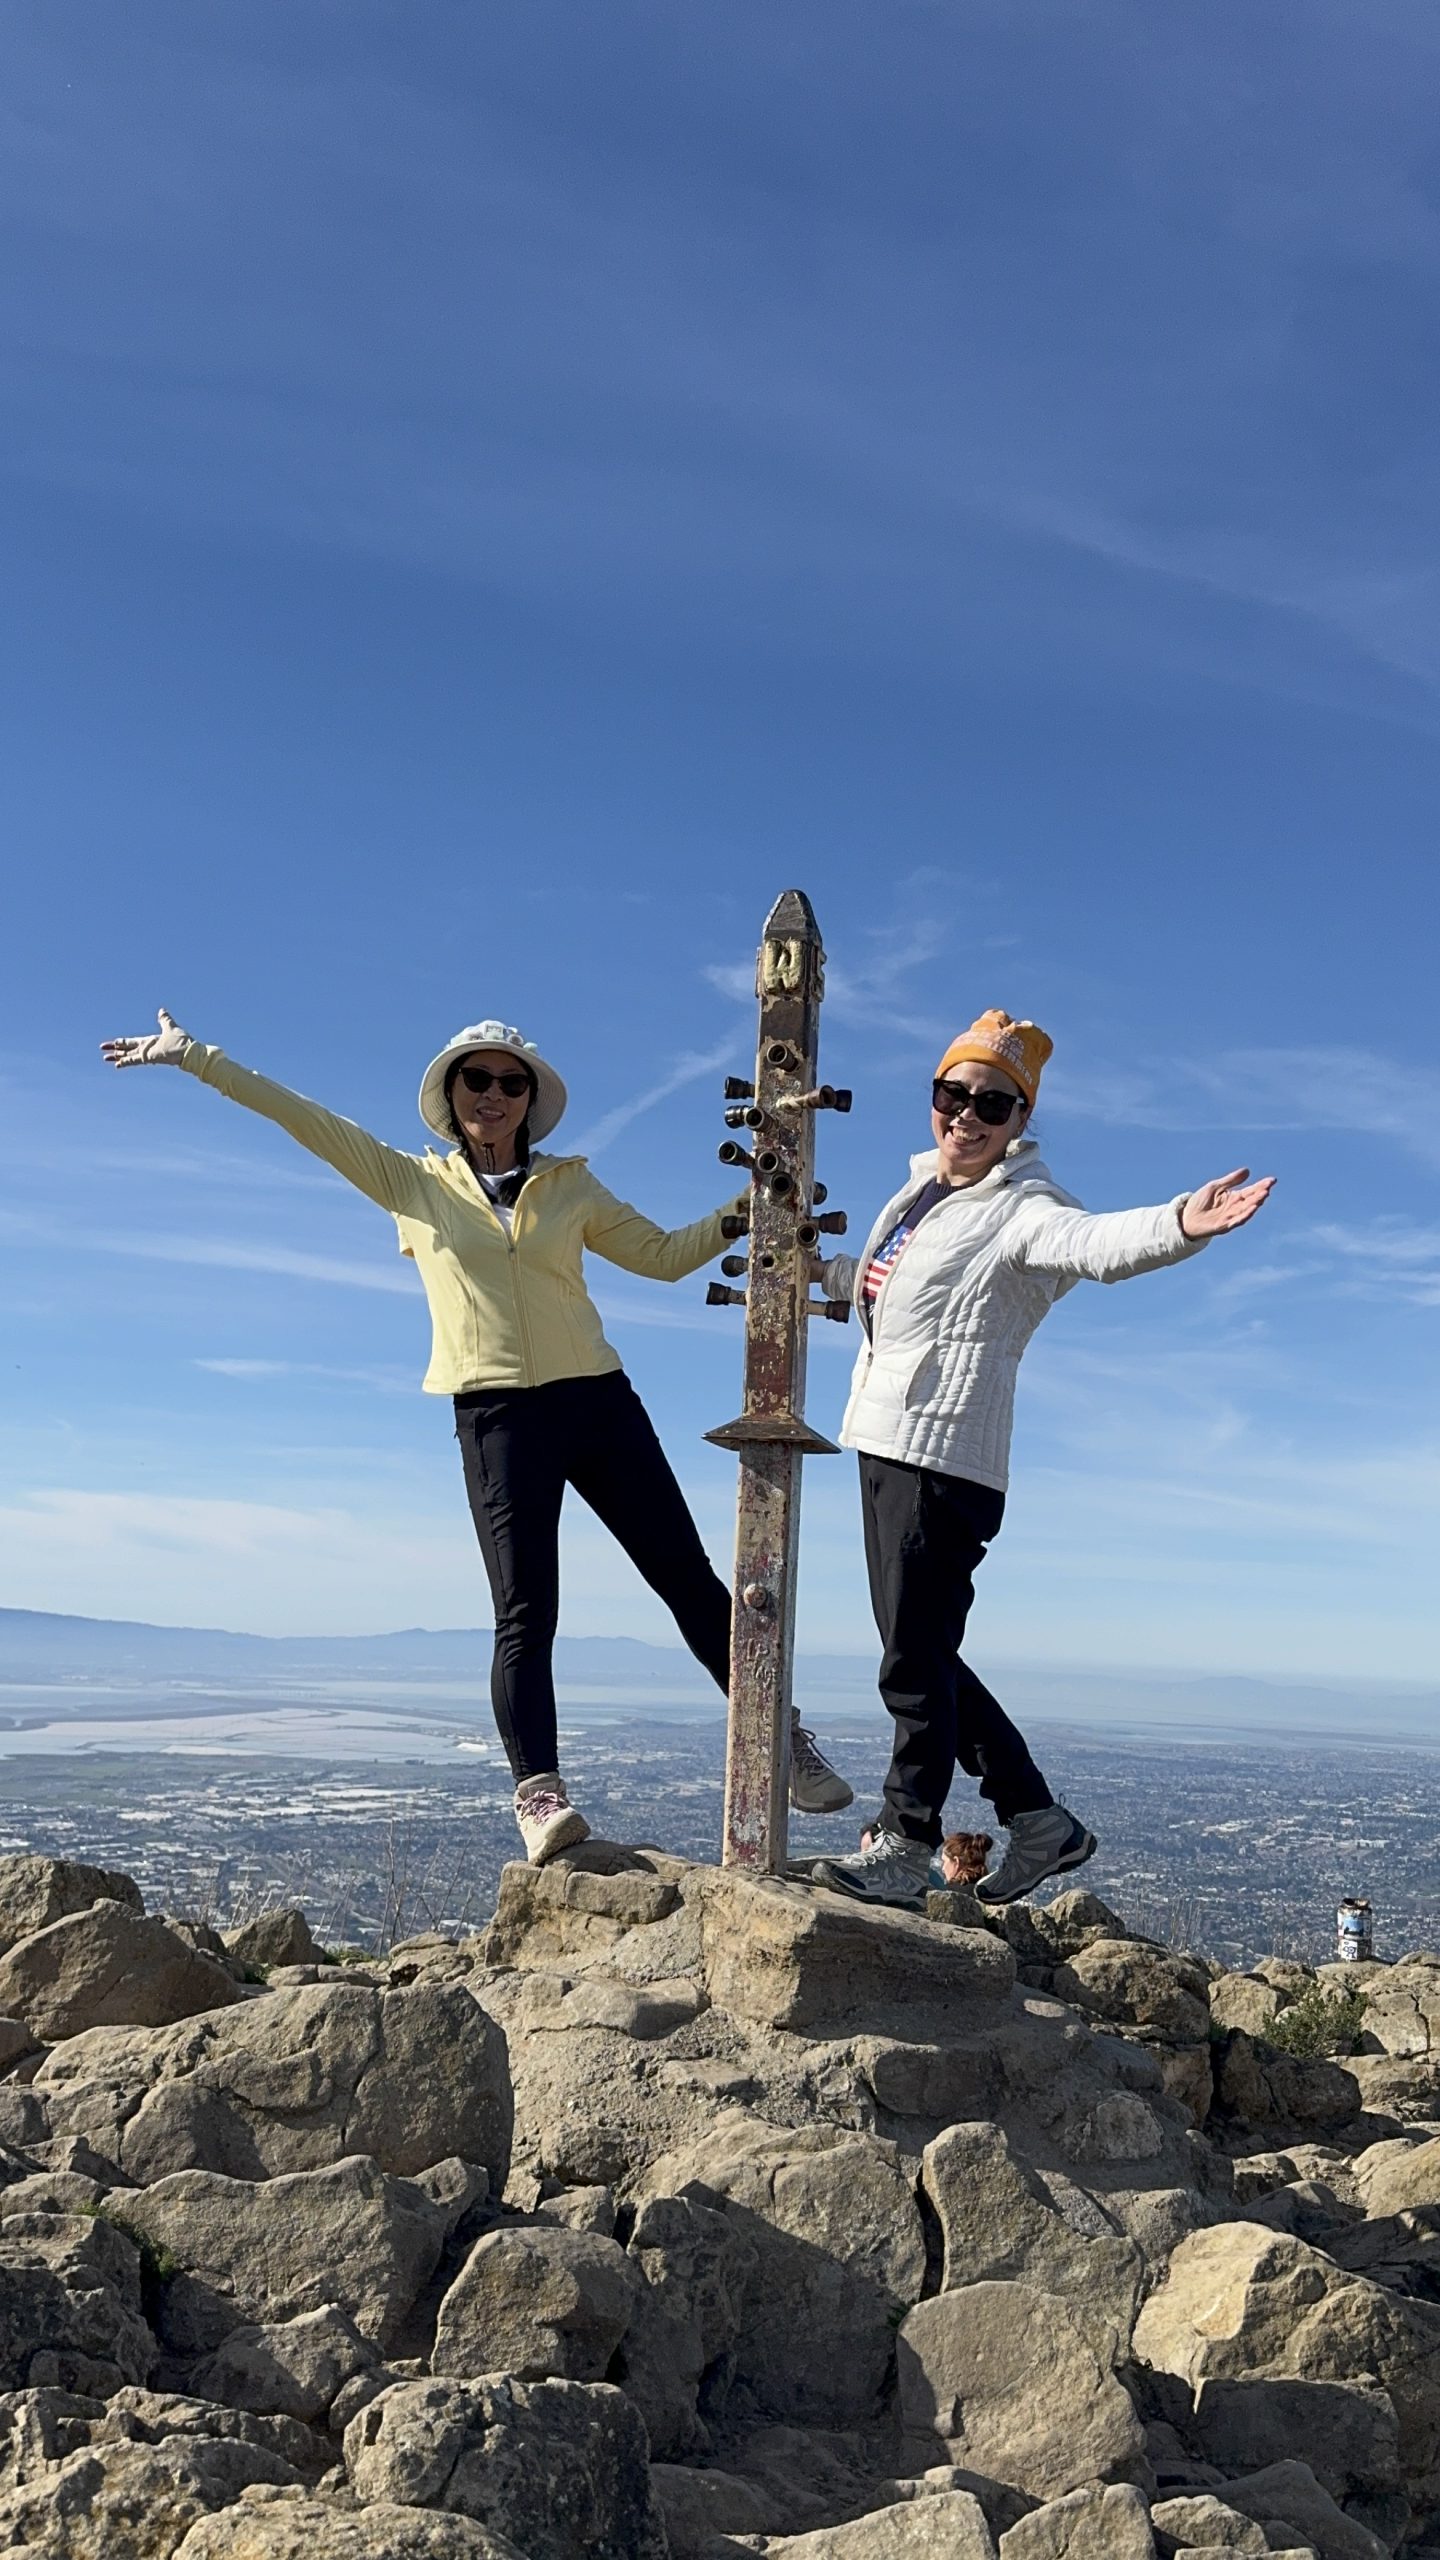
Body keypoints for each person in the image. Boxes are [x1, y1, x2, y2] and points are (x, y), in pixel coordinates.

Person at [101, 1009, 852, 1861]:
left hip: (598, 1401)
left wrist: (750, 1202)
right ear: (451, 1093)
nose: (492, 1095)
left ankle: (779, 1739)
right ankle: (539, 1794)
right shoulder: (413, 1183)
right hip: (496, 1416)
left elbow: (663, 1256)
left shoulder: (570, 1186)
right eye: (476, 1079)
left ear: (530, 1100)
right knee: (527, 1609)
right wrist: (195, 1057)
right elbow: (303, 1118)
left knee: (684, 1575)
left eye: (510, 1082)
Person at [809, 1009, 1273, 1911]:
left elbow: (1093, 1245)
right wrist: (816, 1273)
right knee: (923, 1653)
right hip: (887, 1443)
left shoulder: (1023, 1209)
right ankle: (1035, 1817)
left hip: (943, 1459)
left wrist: (1182, 1221)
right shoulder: (922, 1195)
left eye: (994, 1103)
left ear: (1021, 1119)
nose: (968, 1115)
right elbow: (887, 1294)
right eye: (954, 1094)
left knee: (912, 1661)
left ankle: (906, 1841)